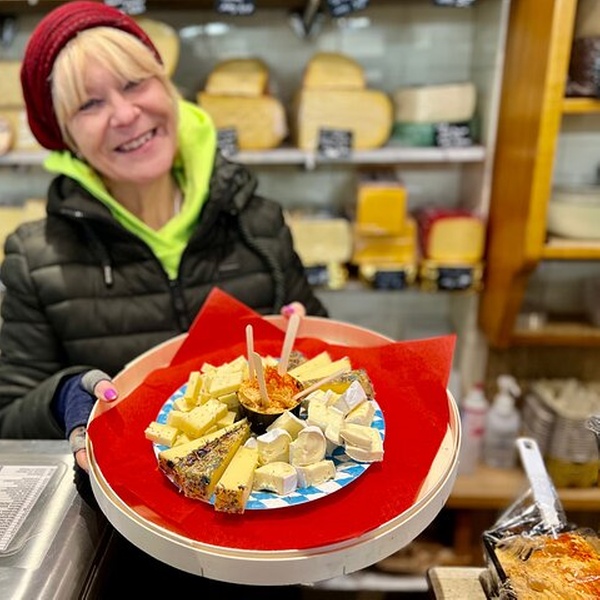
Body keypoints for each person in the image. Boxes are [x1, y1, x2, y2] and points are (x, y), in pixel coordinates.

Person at [0, 1, 327, 504]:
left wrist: (308, 339)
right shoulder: (35, 257)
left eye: (135, 84)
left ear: (166, 86)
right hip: (122, 529)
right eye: (89, 105)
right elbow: (9, 419)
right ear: (65, 136)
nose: (126, 114)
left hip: (267, 517)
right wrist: (64, 396)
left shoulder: (256, 224)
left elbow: (319, 355)